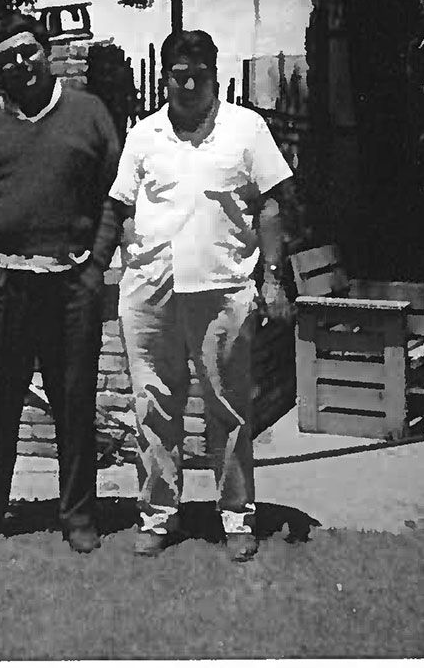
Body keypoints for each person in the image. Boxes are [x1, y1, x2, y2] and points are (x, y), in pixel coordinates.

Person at [107, 29, 294, 562]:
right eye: (178, 74)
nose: (188, 84)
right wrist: (129, 259)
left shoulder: (246, 129)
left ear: (214, 74)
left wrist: (274, 277)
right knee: (153, 405)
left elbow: (273, 205)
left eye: (199, 74)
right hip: (150, 291)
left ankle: (236, 516)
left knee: (229, 408)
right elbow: (122, 206)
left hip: (222, 290)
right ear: (165, 77)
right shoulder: (143, 135)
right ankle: (159, 514)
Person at [0, 12, 122, 554]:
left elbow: (116, 196)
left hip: (70, 287)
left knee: (73, 401)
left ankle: (79, 516)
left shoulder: (89, 115)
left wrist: (96, 266)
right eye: (7, 58)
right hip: (0, 286)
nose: (19, 63)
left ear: (46, 52)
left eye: (27, 51)